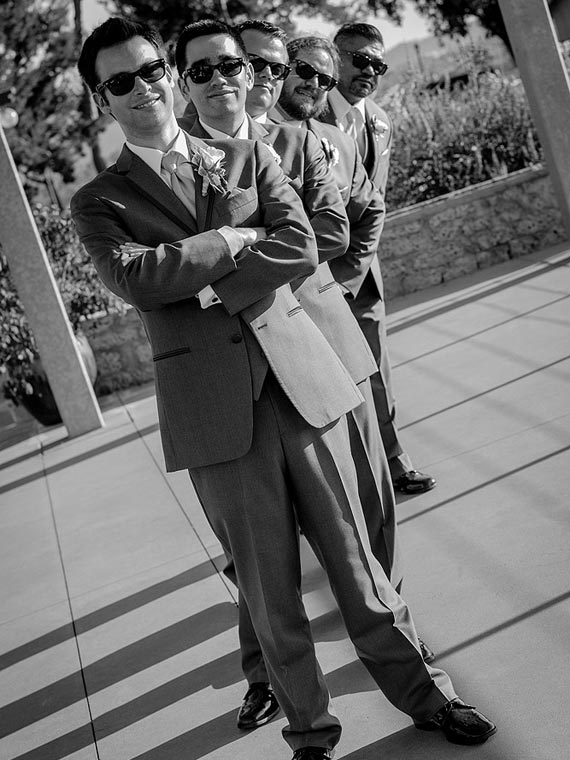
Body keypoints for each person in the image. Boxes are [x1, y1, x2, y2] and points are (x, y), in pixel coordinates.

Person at [72, 18, 496, 759]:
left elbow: (302, 241)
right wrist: (235, 240)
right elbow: (136, 279)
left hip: (301, 382)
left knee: (359, 565)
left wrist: (206, 285)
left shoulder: (245, 153)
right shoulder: (99, 202)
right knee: (269, 595)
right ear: (99, 99)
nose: (141, 90)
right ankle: (310, 735)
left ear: (168, 74)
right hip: (214, 416)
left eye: (148, 72)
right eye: (119, 83)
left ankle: (428, 695)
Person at [177, 17, 414, 731]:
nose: (287, 82)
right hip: (243, 371)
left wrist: (275, 267)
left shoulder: (303, 139)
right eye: (266, 66)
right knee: (259, 550)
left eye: (294, 72)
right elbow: (174, 262)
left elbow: (342, 227)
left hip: (329, 344)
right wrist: (267, 252)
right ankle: (265, 679)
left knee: (369, 507)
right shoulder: (182, 156)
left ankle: (401, 638)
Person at [314, 22, 437, 496]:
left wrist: (356, 269)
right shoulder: (305, 112)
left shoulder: (381, 120)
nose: (370, 71)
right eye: (359, 59)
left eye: (378, 64)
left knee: (377, 373)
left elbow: (376, 202)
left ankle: (394, 462)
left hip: (363, 273)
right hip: (314, 273)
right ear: (335, 57)